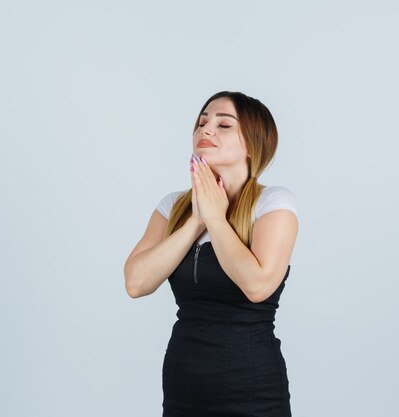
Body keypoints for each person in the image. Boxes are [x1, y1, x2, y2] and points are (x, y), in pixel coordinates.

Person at [123, 91, 299, 416]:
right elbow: (136, 282)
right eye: (202, 122)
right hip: (182, 383)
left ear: (253, 143)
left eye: (224, 124)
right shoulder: (173, 206)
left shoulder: (274, 203)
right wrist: (195, 221)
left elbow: (257, 286)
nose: (206, 130)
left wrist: (217, 220)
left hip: (252, 387)